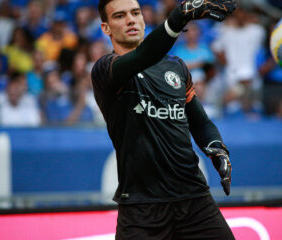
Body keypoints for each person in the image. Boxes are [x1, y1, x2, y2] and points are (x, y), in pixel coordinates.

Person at [91, 0, 236, 239]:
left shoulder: (176, 66)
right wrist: (178, 17)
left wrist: (217, 149)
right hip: (141, 209)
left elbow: (200, 122)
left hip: (194, 201)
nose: (130, 20)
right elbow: (144, 55)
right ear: (106, 28)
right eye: (119, 16)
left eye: (135, 12)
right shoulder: (105, 70)